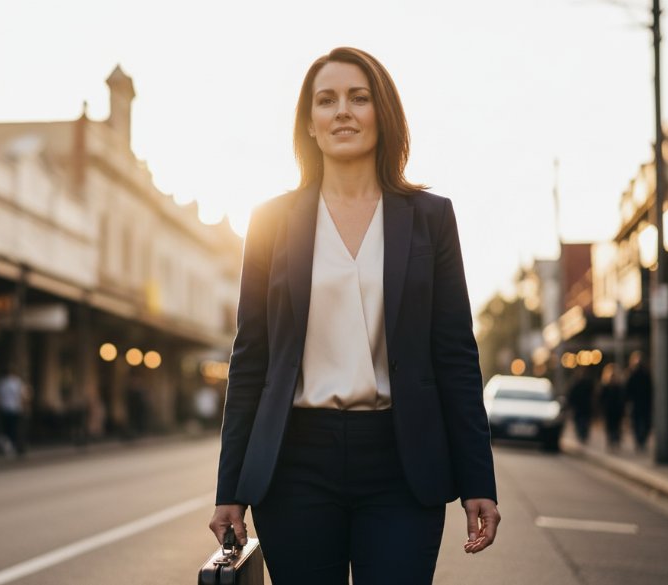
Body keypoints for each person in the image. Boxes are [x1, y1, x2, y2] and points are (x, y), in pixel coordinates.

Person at [208, 47, 499, 584]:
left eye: (358, 98)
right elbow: (250, 358)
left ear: (381, 115)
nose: (342, 110)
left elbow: (455, 354)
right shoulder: (271, 221)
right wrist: (230, 490)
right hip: (295, 465)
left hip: (401, 465)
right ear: (311, 124)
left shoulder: (430, 218)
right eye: (327, 100)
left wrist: (479, 479)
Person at [0, 368, 28, 456]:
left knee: (5, 429)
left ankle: (6, 446)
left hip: (4, 409)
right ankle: (13, 447)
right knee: (14, 429)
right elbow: (23, 396)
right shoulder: (17, 383)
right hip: (15, 409)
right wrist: (24, 407)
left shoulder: (1, 383)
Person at [625, 351, 653, 452]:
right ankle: (640, 440)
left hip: (642, 404)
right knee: (639, 423)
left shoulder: (644, 374)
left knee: (642, 423)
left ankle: (640, 440)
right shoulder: (634, 375)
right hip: (639, 404)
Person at [599, 363, 626, 451]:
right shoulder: (605, 387)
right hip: (608, 410)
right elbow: (601, 398)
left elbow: (623, 398)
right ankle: (611, 440)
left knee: (616, 426)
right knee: (610, 426)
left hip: (617, 410)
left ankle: (616, 439)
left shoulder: (619, 387)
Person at [567, 368, 594, 443]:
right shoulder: (575, 384)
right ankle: (581, 435)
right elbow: (571, 395)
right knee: (579, 423)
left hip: (585, 407)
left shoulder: (587, 383)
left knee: (584, 423)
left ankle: (583, 435)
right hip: (578, 408)